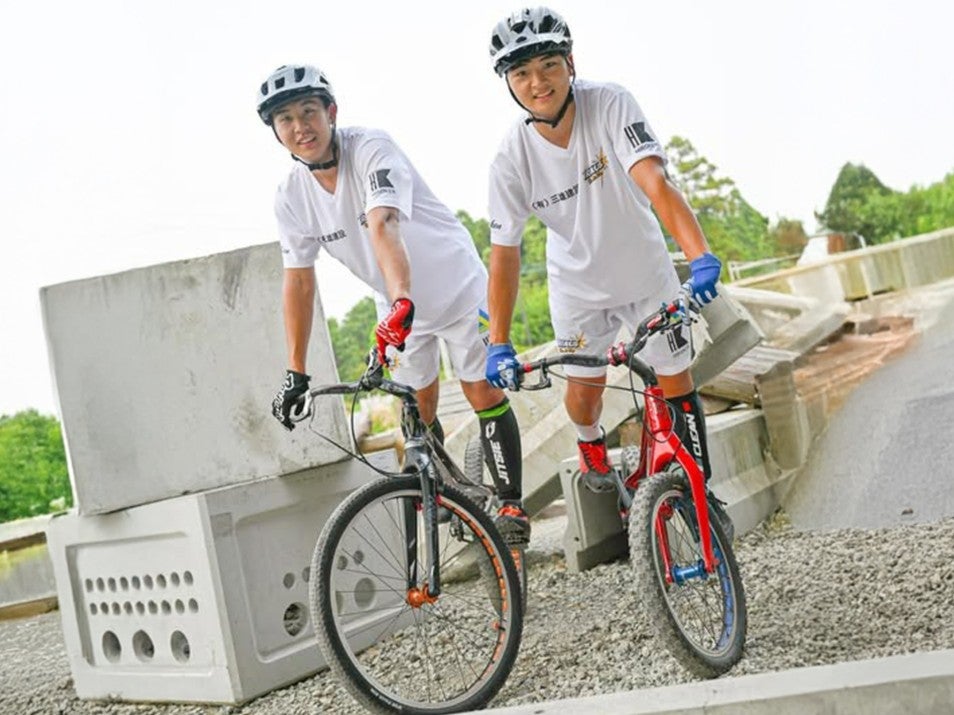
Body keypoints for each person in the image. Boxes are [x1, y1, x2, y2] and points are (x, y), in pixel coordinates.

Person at [483, 8, 732, 534]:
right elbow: (504, 252)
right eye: (522, 73)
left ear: (570, 63)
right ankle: (591, 445)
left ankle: (701, 495)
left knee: (676, 383)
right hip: (576, 289)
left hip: (645, 274)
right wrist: (498, 343)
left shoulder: (610, 103)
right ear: (508, 83)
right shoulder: (510, 156)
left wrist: (701, 255)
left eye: (548, 66)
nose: (537, 82)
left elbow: (655, 181)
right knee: (584, 395)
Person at [259, 64, 529, 542]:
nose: (300, 127)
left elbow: (383, 223)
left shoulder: (371, 149)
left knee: (480, 391)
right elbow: (298, 281)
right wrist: (295, 371)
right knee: (415, 408)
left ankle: (512, 508)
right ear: (276, 131)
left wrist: (403, 300)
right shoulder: (290, 197)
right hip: (397, 304)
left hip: (455, 286)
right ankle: (447, 495)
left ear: (331, 112)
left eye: (308, 112)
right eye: (286, 119)